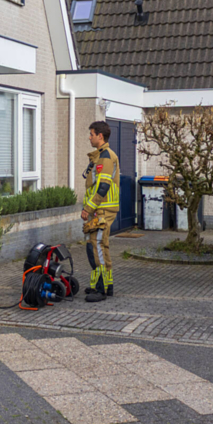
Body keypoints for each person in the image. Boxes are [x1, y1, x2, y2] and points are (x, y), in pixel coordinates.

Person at [81, 121, 120, 302]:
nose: (89, 137)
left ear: (100, 136)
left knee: (97, 247)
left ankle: (102, 290)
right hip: (100, 210)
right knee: (97, 247)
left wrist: (88, 208)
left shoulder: (105, 157)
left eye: (91, 134)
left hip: (103, 210)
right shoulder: (99, 156)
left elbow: (103, 187)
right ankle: (104, 285)